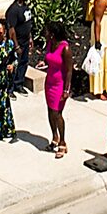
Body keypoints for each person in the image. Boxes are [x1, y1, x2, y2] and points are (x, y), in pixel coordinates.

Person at [41, 29, 72, 157]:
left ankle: (63, 143)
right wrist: (44, 62)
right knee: (50, 111)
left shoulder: (65, 49)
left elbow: (69, 71)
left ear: (53, 34)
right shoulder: (50, 44)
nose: (45, 35)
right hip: (49, 83)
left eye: (47, 33)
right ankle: (55, 137)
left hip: (60, 85)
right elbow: (48, 58)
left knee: (57, 113)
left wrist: (66, 90)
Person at [1, 0, 36, 85]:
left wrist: (30, 38)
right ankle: (10, 87)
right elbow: (11, 30)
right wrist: (16, 45)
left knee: (24, 63)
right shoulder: (13, 11)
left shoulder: (25, 7)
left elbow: (27, 23)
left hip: (25, 41)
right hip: (18, 43)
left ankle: (19, 83)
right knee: (14, 64)